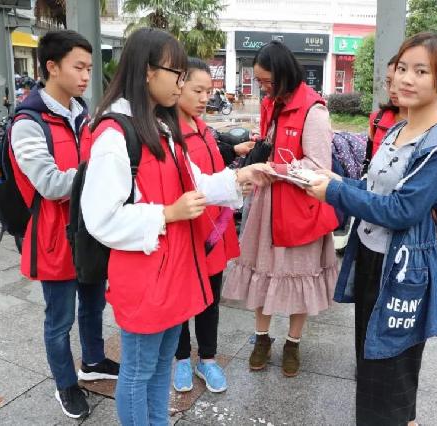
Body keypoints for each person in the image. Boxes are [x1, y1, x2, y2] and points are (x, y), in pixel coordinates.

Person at [80, 28, 273, 425]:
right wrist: (166, 214)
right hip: (145, 277)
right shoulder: (115, 135)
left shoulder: (160, 126)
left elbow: (194, 183)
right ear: (147, 71)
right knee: (138, 373)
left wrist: (239, 177)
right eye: (178, 74)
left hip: (174, 271)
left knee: (159, 369)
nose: (182, 85)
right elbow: (100, 218)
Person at [306, 32, 437, 425]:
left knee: (390, 374)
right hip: (373, 261)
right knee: (371, 362)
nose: (406, 79)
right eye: (403, 69)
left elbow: (401, 210)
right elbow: (375, 188)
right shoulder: (397, 130)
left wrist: (336, 193)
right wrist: (336, 181)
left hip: (403, 272)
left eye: (421, 71)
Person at [8, 30, 119, 419]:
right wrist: (103, 175)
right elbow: (51, 184)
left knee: (93, 304)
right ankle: (65, 384)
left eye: (89, 68)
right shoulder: (28, 122)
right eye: (79, 67)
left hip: (88, 231)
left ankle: (93, 361)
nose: (87, 75)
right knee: (59, 319)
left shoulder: (83, 114)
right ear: (52, 67)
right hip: (54, 237)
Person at [223, 41, 339, 378]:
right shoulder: (272, 103)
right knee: (262, 272)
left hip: (299, 205)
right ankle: (262, 338)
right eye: (259, 81)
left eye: (267, 81)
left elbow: (320, 166)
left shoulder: (314, 111)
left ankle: (292, 343)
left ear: (284, 74)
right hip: (267, 203)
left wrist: (277, 168)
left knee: (300, 275)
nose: (263, 88)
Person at [172, 57, 241, 394]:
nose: (204, 98)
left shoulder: (203, 129)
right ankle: (181, 358)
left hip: (213, 230)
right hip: (185, 230)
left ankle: (208, 359)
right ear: (178, 85)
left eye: (208, 91)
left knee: (211, 297)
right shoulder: (168, 132)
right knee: (181, 298)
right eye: (197, 90)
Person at [366, 55, 408, 162]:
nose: (392, 90)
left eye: (399, 83)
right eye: (389, 82)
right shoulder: (377, 120)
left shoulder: (433, 129)